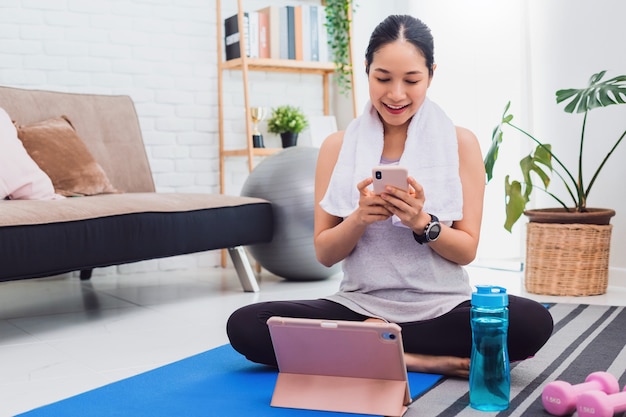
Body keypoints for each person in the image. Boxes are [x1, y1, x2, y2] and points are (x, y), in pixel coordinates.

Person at [227, 14, 553, 378]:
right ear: (366, 70)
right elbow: (325, 253)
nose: (396, 94)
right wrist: (358, 219)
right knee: (246, 323)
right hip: (358, 306)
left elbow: (467, 249)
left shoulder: (460, 143)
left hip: (441, 309)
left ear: (431, 74)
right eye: (383, 78)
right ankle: (417, 360)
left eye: (411, 80)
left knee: (532, 322)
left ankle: (373, 347)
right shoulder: (337, 147)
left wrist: (422, 223)